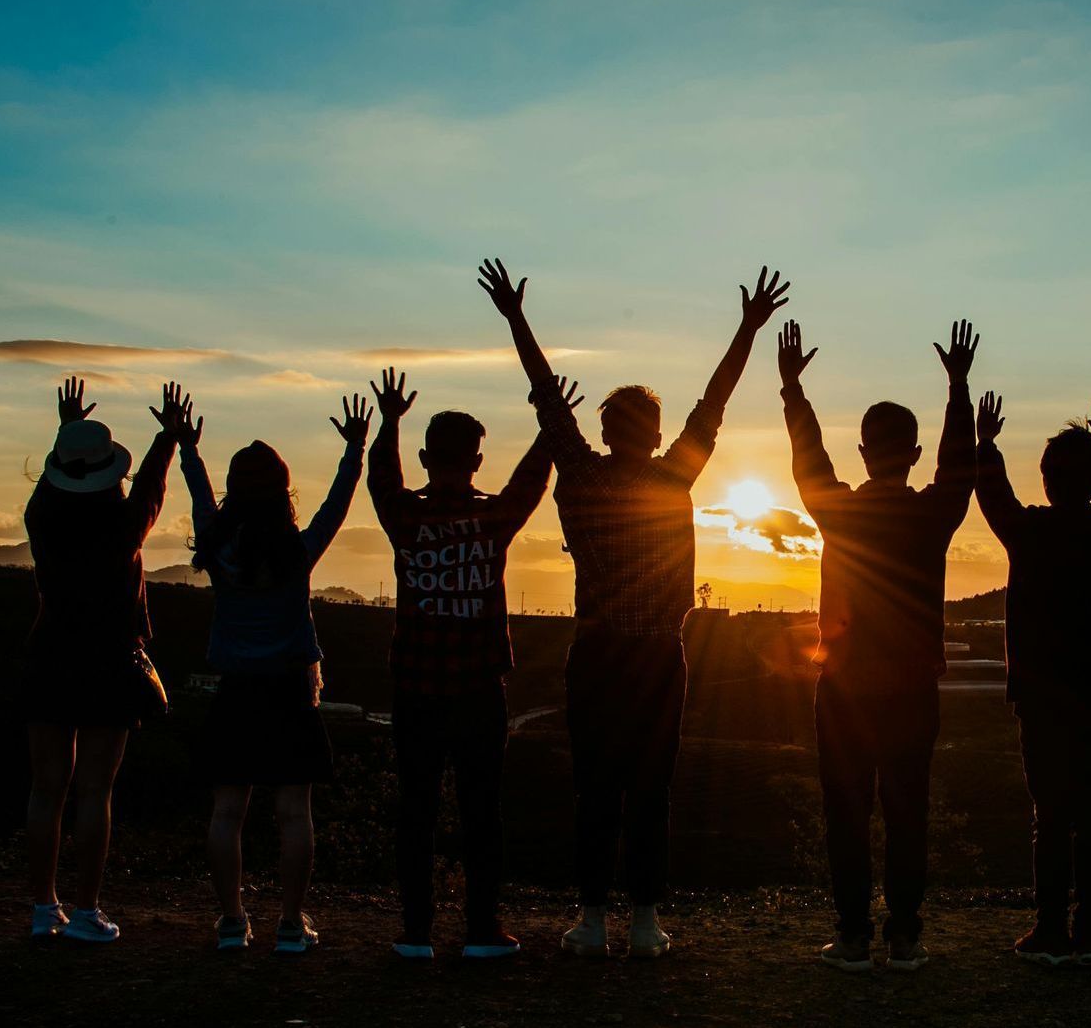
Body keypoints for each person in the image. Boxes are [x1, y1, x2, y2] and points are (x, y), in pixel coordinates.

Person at [479, 256, 789, 959]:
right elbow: (715, 402)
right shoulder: (673, 475)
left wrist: (516, 318)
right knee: (651, 789)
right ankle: (645, 919)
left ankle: (592, 918)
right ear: (651, 433)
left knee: (596, 787)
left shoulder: (581, 474)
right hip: (655, 658)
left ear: (608, 427)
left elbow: (546, 397)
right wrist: (746, 328)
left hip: (597, 654)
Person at [779, 318, 977, 972]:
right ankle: (905, 937)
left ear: (863, 452)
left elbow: (809, 462)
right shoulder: (932, 515)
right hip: (913, 687)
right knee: (906, 810)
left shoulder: (839, 510)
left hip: (843, 686)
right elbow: (960, 468)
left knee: (847, 812)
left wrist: (793, 393)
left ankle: (855, 935)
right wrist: (958, 389)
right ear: (912, 453)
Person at [366, 367, 583, 961]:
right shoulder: (493, 519)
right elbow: (532, 481)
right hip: (480, 689)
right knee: (482, 811)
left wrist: (387, 421)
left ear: (426, 456)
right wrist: (549, 424)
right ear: (478, 460)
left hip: (414, 686)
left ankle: (414, 932)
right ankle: (482, 930)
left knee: (417, 810)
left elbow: (381, 479)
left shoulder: (405, 518)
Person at [177, 392, 372, 955]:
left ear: (236, 492)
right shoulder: (297, 550)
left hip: (235, 691)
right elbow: (336, 504)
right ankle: (290, 923)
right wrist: (354, 450)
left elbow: (198, 494)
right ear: (283, 492)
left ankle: (232, 922)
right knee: (293, 813)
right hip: (291, 692)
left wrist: (189, 448)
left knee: (228, 810)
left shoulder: (218, 548)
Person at [975, 391, 1091, 967]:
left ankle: (1049, 930)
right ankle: (1090, 935)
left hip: (1043, 697)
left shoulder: (1030, 532)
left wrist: (986, 444)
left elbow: (992, 496)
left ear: (1047, 479)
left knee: (1049, 815)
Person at [22, 377, 189, 943]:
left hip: (50, 653)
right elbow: (150, 491)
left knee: (47, 787)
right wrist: (168, 437)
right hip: (109, 660)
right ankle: (87, 908)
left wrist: (67, 430)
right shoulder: (122, 528)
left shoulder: (41, 517)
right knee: (95, 789)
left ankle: (43, 907)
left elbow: (62, 481)